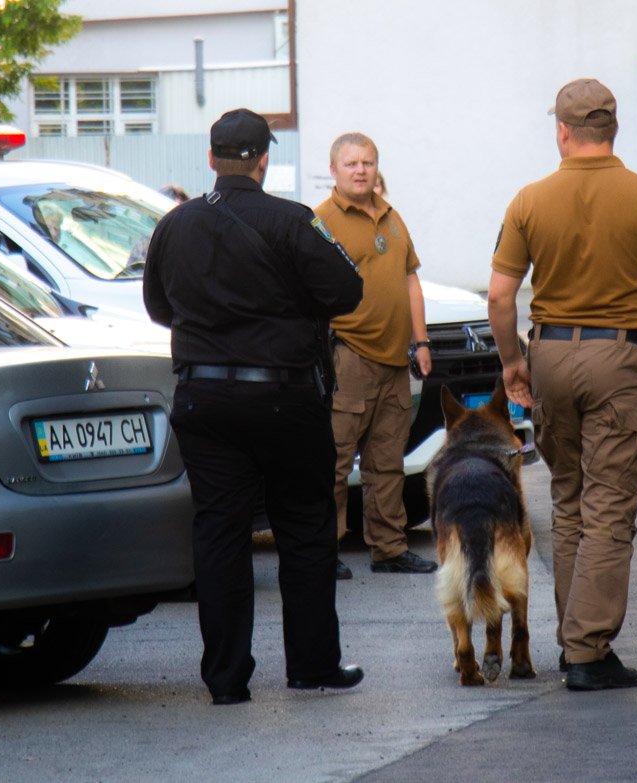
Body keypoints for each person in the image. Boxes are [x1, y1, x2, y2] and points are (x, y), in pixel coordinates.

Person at [487, 78, 637, 691]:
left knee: (569, 501)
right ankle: (587, 653)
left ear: (562, 131)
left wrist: (512, 362)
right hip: (620, 359)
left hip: (550, 354)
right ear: (612, 130)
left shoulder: (528, 200)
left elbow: (501, 295)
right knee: (610, 506)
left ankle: (573, 638)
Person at [143, 108, 365, 705]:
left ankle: (225, 680)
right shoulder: (294, 221)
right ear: (264, 158)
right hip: (285, 396)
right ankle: (313, 665)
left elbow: (160, 309)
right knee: (304, 527)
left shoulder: (176, 225)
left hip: (205, 398)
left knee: (218, 532)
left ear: (211, 159)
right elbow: (347, 290)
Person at [315, 133, 438, 577]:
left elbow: (410, 281)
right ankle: (323, 551)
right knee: (333, 460)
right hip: (348, 358)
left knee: (388, 463)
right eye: (351, 164)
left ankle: (389, 548)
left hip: (394, 362)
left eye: (367, 162)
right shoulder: (321, 221)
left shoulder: (392, 217)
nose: (360, 170)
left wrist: (420, 342)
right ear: (333, 170)